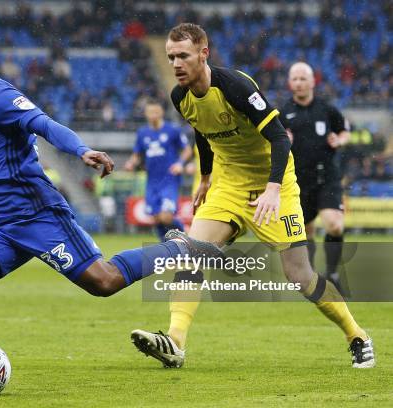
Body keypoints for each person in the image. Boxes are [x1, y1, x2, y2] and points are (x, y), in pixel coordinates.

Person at [0, 35, 224, 387]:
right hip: (3, 229)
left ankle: (180, 247)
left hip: (40, 218)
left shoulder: (1, 98)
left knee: (105, 282)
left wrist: (81, 150)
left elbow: (44, 124)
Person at [130, 23, 374, 369]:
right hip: (228, 184)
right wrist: (204, 177)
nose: (176, 64)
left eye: (183, 55)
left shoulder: (236, 87)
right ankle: (175, 342)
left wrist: (273, 189)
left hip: (274, 184)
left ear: (204, 53)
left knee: (300, 276)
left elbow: (280, 139)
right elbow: (202, 131)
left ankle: (358, 336)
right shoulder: (179, 96)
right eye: (171, 57)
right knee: (190, 256)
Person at [279, 62, 349, 292]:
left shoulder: (327, 110)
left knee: (335, 225)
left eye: (302, 78)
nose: (298, 83)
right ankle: (309, 279)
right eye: (294, 79)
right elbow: (271, 142)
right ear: (290, 83)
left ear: (312, 81)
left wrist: (339, 140)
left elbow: (344, 131)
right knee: (306, 231)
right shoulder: (283, 113)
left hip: (326, 178)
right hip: (298, 182)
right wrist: (282, 142)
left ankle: (333, 273)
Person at [124, 99, 192, 241]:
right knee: (156, 218)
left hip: (169, 180)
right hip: (152, 181)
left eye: (156, 112)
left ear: (161, 112)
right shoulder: (142, 133)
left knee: (166, 217)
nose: (153, 115)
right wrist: (131, 163)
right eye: (150, 112)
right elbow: (137, 154)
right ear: (146, 114)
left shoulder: (172, 130)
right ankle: (167, 248)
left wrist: (180, 163)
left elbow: (187, 150)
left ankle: (187, 236)